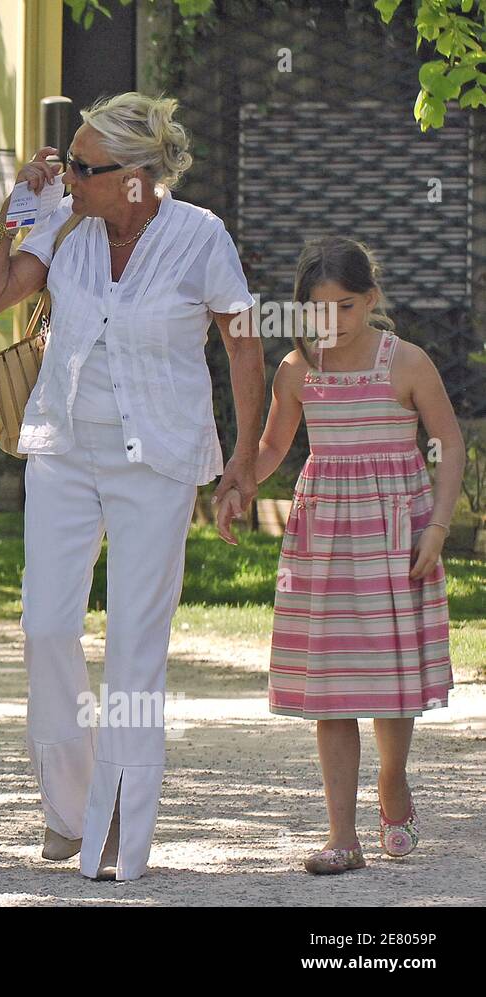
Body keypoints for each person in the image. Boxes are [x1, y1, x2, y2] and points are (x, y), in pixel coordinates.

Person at [0, 92, 263, 881]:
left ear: (134, 177)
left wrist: (244, 460)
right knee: (45, 626)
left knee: (135, 649)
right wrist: (15, 209)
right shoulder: (66, 225)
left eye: (84, 168)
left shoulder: (201, 237)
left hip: (156, 462)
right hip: (65, 448)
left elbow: (243, 347)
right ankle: (72, 806)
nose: (71, 177)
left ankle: (117, 834)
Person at [218, 236, 461, 875]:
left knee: (388, 684)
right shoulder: (296, 371)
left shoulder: (406, 363)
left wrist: (436, 527)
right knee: (331, 689)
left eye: (346, 307)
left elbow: (451, 446)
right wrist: (240, 481)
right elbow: (272, 447)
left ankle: (393, 782)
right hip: (323, 540)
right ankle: (341, 835)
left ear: (371, 300)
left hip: (395, 538)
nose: (332, 322)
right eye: (318, 310)